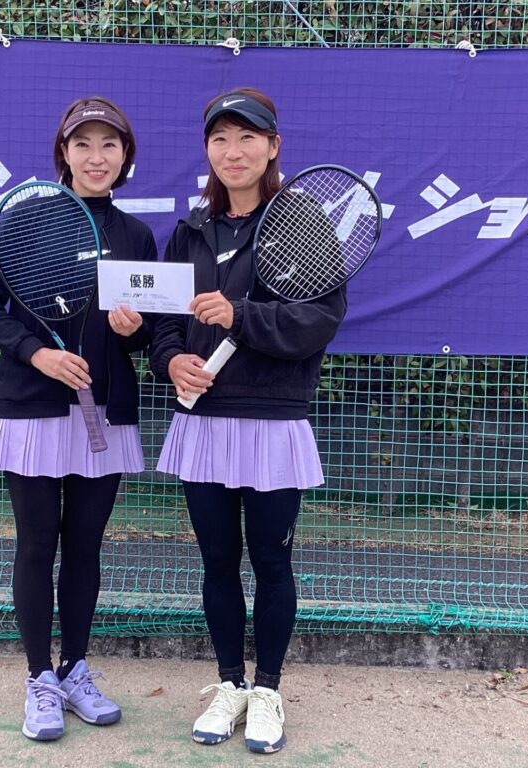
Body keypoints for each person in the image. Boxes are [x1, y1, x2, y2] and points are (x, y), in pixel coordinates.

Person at [149, 88, 346, 754]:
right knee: (216, 559)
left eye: (247, 137)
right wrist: (172, 362)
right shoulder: (191, 231)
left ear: (273, 146)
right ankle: (230, 684)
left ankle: (267, 690)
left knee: (271, 561)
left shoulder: (302, 223)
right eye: (220, 139)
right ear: (207, 150)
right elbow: (165, 322)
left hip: (272, 420)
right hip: (203, 420)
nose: (233, 152)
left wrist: (241, 316)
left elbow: (318, 321)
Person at [0, 97, 157, 742]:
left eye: (109, 145)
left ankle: (75, 668)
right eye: (83, 145)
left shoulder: (136, 235)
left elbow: (148, 331)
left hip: (105, 410)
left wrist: (134, 331)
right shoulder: (26, 218)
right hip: (32, 405)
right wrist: (38, 353)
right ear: (64, 154)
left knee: (84, 545)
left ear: (125, 157)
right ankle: (38, 678)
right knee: (36, 543)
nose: (96, 157)